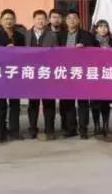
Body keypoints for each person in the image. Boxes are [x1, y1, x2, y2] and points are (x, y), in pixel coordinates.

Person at [57, 10, 98, 139]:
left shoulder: (87, 35)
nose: (71, 20)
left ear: (79, 20)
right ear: (66, 21)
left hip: (81, 73)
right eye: (69, 18)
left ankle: (83, 129)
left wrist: (85, 47)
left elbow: (95, 51)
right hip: (66, 73)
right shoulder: (60, 35)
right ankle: (71, 129)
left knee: (83, 103)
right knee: (67, 103)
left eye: (74, 18)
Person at [0, 9, 26, 142]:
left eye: (11, 19)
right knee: (1, 104)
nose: (9, 21)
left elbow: (24, 54)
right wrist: (5, 50)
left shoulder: (19, 36)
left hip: (15, 73)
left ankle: (14, 131)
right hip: (0, 74)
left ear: (15, 20)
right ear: (1, 21)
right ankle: (0, 132)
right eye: (6, 19)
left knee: (15, 104)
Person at [26, 10, 59, 141]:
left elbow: (56, 54)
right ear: (33, 20)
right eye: (38, 18)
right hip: (32, 73)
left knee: (49, 103)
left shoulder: (52, 35)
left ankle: (49, 130)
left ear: (46, 21)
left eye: (43, 19)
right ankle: (32, 129)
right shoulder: (26, 34)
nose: (40, 21)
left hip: (47, 73)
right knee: (33, 103)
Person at [91, 19, 112, 138]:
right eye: (100, 26)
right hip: (94, 75)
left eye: (105, 26)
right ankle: (97, 126)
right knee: (95, 102)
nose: (103, 29)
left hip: (107, 74)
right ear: (96, 29)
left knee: (105, 103)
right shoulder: (91, 40)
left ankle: (106, 126)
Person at [47, 8, 67, 133]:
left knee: (65, 101)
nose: (56, 19)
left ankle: (66, 127)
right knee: (49, 101)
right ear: (49, 19)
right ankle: (50, 128)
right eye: (54, 17)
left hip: (64, 71)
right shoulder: (45, 33)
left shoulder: (66, 33)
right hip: (48, 71)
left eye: (58, 17)